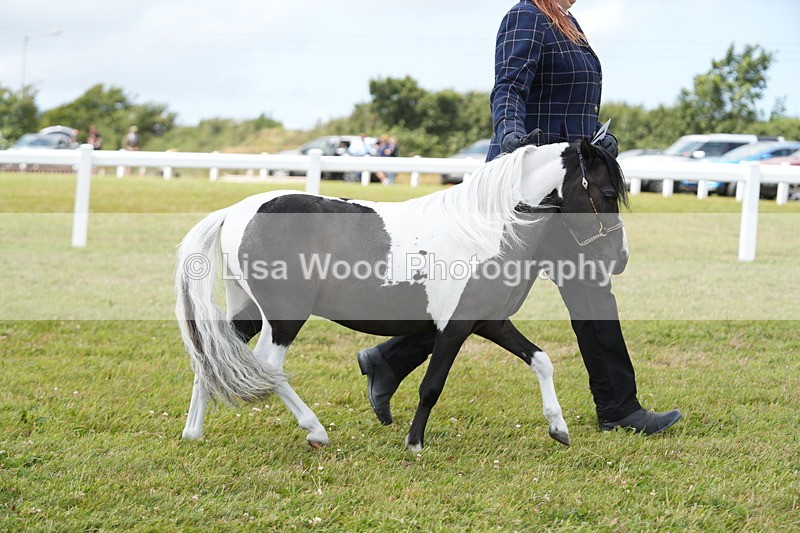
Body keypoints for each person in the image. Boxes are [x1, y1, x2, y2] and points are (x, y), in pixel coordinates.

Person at [356, 0, 682, 435]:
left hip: (563, 185)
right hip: (527, 188)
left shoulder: (564, 21)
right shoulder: (527, 16)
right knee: (563, 291)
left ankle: (388, 360)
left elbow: (564, 103)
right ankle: (619, 410)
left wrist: (594, 145)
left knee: (489, 297)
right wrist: (510, 136)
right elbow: (508, 86)